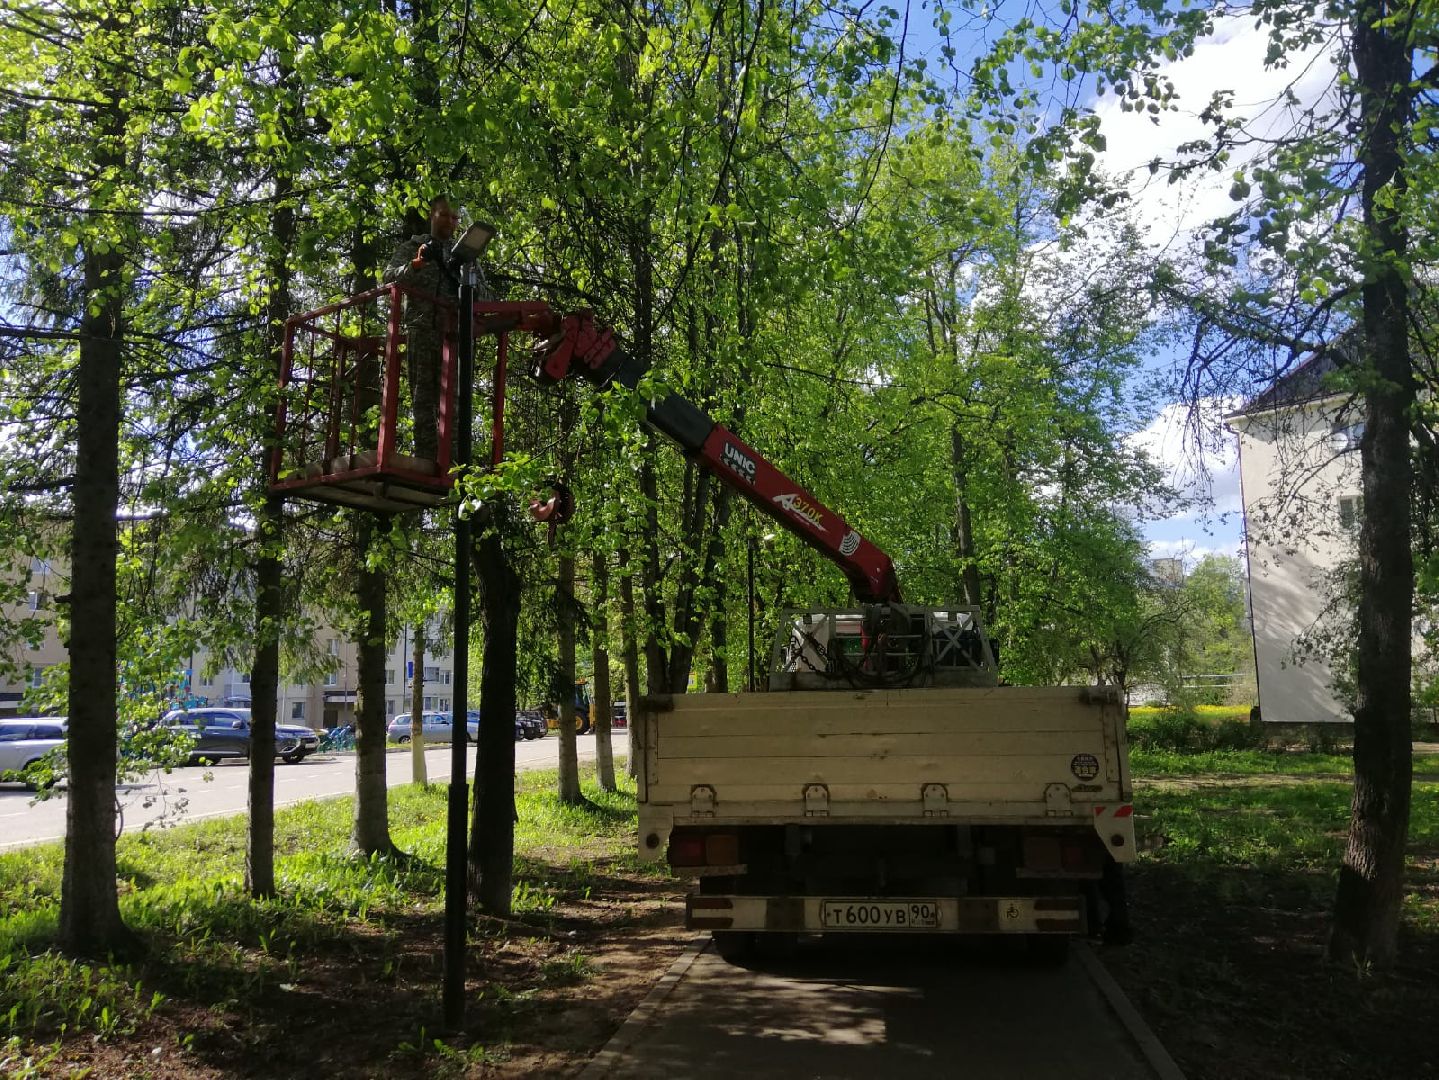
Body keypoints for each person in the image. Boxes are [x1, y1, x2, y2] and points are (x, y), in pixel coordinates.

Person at [383, 194, 460, 461]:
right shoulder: (413, 247)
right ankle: (426, 461)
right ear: (431, 215)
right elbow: (388, 278)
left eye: (455, 217)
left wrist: (465, 280)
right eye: (444, 215)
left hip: (455, 337)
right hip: (422, 331)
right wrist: (416, 265)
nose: (450, 221)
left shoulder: (463, 255)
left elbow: (485, 294)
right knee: (423, 400)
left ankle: (453, 464)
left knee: (455, 403)